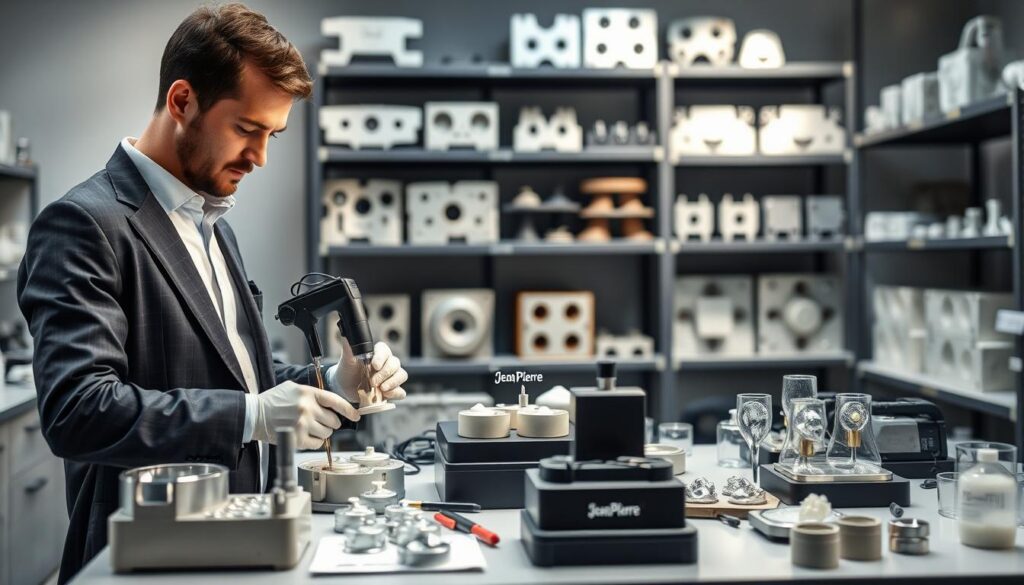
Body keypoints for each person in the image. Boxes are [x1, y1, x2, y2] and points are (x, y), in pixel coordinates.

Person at [16, 5, 407, 583]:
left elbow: (237, 375)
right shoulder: (84, 223)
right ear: (182, 102)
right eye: (247, 129)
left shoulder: (212, 223)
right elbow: (79, 409)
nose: (260, 157)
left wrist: (331, 383)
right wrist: (252, 417)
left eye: (271, 135)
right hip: (147, 553)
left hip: (242, 536)